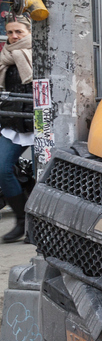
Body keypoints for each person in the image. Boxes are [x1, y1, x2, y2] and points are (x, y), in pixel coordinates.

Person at [0, 16, 34, 243]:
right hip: (12, 123)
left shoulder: (40, 54)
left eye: (19, 32)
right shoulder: (4, 58)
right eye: (10, 32)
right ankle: (21, 221)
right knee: (2, 169)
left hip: (37, 123)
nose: (14, 36)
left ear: (29, 32)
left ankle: (36, 225)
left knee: (44, 175)